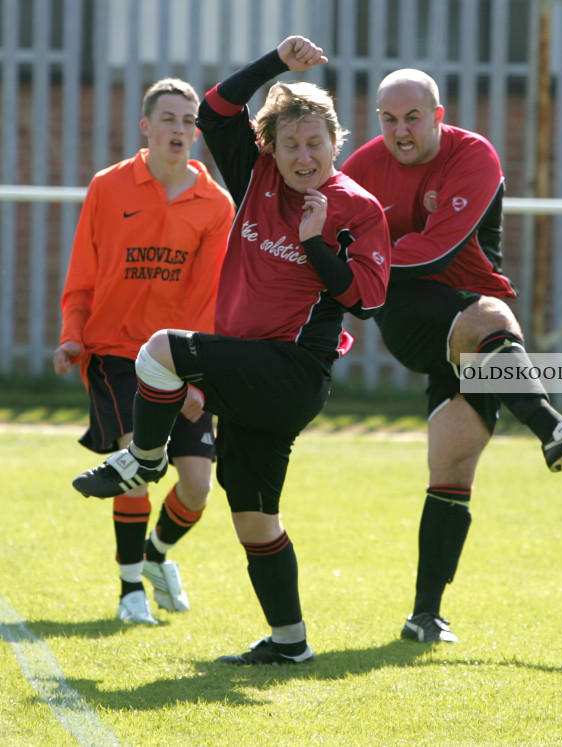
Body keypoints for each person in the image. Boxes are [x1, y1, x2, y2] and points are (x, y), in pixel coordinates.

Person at [72, 36, 391, 665]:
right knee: (253, 518)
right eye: (291, 144)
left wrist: (316, 245)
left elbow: (370, 300)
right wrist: (276, 62)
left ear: (337, 142)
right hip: (253, 377)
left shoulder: (357, 207)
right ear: (272, 147)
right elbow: (217, 110)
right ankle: (290, 643)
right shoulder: (257, 172)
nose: (304, 156)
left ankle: (140, 460)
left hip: (294, 372)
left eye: (315, 143)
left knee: (160, 348)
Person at [341, 69, 562, 644]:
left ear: (438, 114)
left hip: (470, 323)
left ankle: (424, 615)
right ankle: (553, 427)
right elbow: (336, 240)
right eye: (389, 119)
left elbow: (440, 246)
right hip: (413, 314)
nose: (401, 130)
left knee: (453, 462)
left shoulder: (474, 155)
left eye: (413, 117)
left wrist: (368, 262)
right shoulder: (362, 168)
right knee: (492, 318)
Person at [54, 78, 234, 625]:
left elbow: (210, 297)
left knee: (198, 487)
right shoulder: (108, 187)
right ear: (146, 127)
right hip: (116, 352)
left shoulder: (215, 204)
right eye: (170, 119)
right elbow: (84, 268)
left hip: (182, 357)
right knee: (138, 462)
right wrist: (72, 332)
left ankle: (155, 558)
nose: (180, 130)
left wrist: (200, 378)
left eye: (189, 121)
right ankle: (130, 589)